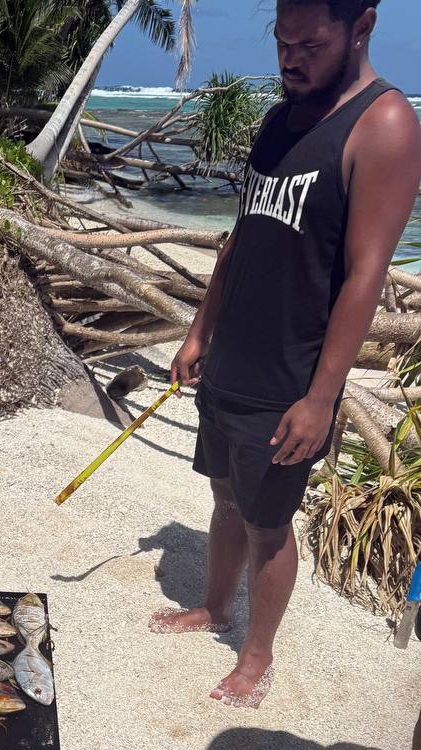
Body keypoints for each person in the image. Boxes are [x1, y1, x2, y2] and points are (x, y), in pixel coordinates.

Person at [150, 0, 421, 708]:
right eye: (281, 42)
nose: (289, 59)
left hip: (289, 375)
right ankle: (214, 607)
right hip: (232, 357)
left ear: (360, 26)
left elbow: (366, 273)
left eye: (309, 44)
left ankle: (256, 655)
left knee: (269, 525)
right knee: (223, 496)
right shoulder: (278, 119)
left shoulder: (384, 125)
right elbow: (240, 239)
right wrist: (199, 331)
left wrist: (322, 396)